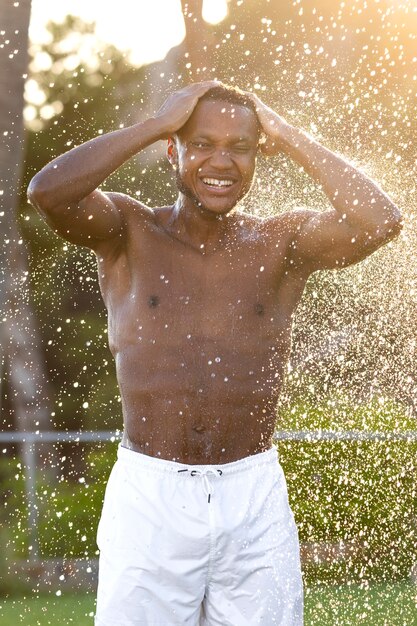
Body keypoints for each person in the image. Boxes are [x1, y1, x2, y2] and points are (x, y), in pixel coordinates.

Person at [28, 81, 402, 625]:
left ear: (258, 155)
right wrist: (157, 123)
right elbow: (47, 192)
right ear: (173, 151)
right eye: (201, 142)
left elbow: (380, 220)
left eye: (241, 146)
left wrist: (288, 134)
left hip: (253, 498)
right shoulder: (130, 230)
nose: (221, 161)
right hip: (151, 496)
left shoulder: (280, 244)